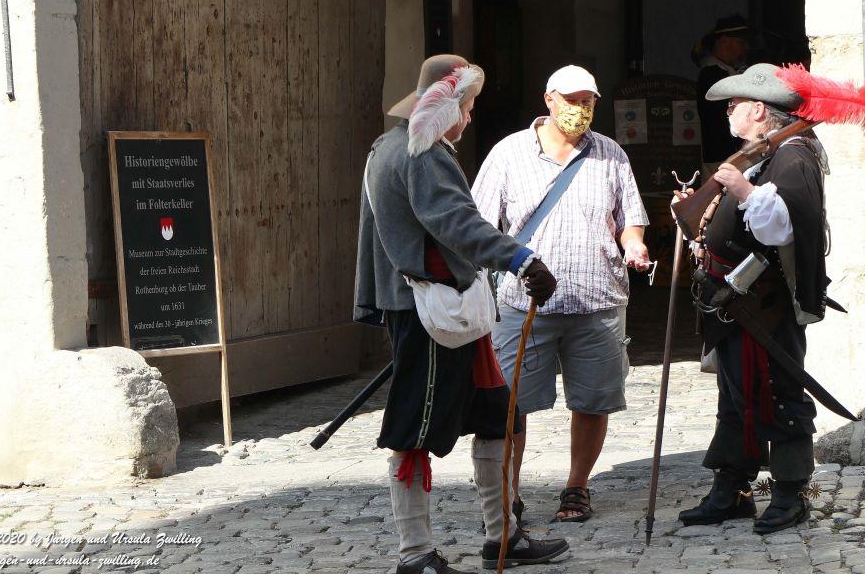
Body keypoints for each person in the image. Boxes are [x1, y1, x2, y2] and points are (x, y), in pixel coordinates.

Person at [354, 54, 570, 574]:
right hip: (429, 311)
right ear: (446, 104)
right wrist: (521, 259)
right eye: (468, 106)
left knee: (499, 415)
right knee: (413, 430)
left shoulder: (392, 147)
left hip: (446, 308)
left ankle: (504, 537)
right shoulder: (418, 152)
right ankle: (415, 555)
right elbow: (455, 222)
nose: (471, 117)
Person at [472, 65, 650, 525]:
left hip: (597, 299)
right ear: (548, 100)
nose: (581, 109)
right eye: (572, 100)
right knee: (511, 405)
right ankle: (508, 494)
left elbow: (629, 215)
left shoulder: (610, 154)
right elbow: (479, 228)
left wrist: (634, 244)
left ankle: (577, 487)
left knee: (593, 401)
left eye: (589, 101)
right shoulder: (508, 154)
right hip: (523, 301)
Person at [676, 63, 836, 534]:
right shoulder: (764, 152)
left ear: (761, 111)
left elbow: (783, 227)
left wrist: (742, 189)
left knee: (781, 397)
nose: (728, 111)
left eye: (734, 104)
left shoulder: (795, 156)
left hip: (765, 305)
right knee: (736, 397)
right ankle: (734, 491)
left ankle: (789, 496)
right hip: (734, 304)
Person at [694, 14, 754, 179]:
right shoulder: (713, 74)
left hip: (725, 157)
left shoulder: (722, 72)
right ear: (725, 41)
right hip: (721, 158)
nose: (745, 48)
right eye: (741, 43)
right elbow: (721, 121)